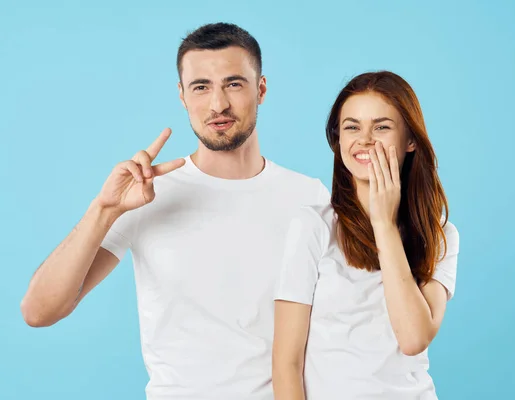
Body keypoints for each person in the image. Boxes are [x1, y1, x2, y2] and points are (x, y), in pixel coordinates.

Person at [20, 22, 330, 399]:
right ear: (182, 96)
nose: (218, 105)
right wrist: (104, 210)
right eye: (201, 87)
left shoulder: (309, 197)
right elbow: (39, 311)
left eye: (234, 83)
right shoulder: (148, 194)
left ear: (261, 89)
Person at [272, 71, 460, 399]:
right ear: (338, 140)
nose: (365, 139)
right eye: (352, 127)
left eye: (382, 127)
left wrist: (384, 225)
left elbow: (414, 339)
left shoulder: (440, 235)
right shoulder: (313, 226)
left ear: (411, 140)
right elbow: (286, 363)